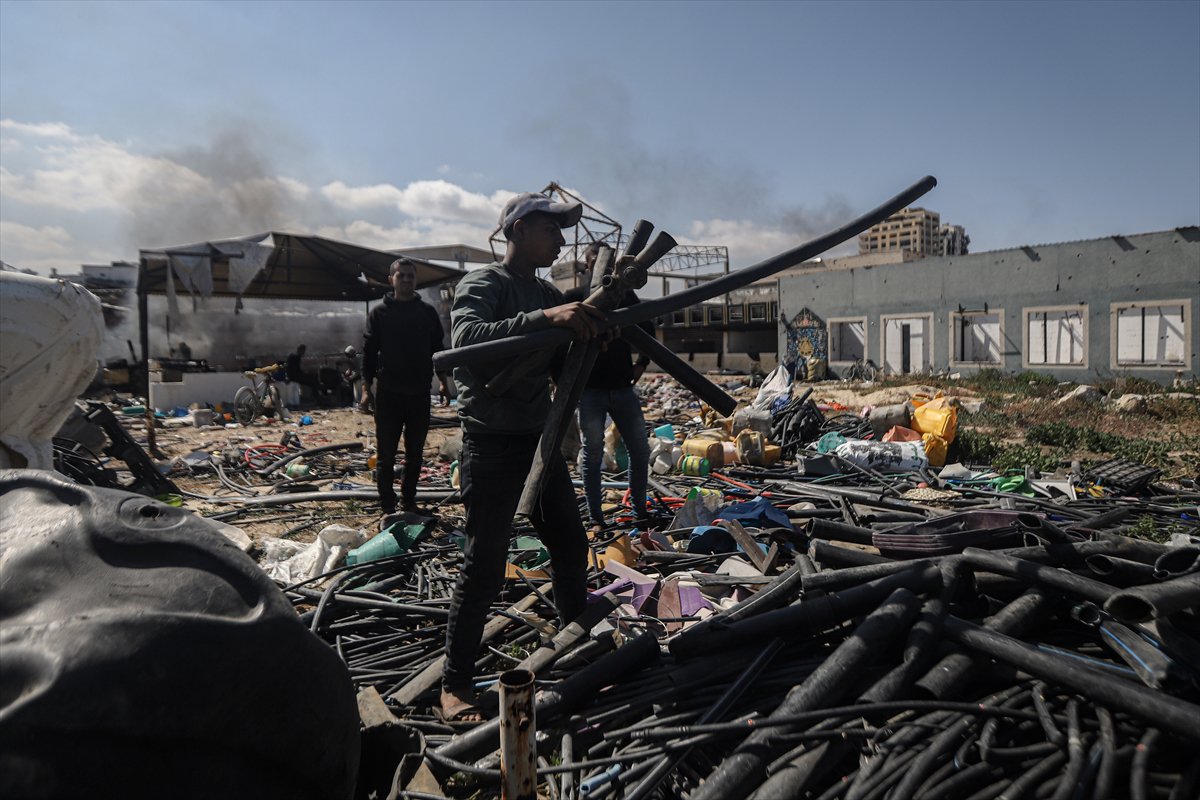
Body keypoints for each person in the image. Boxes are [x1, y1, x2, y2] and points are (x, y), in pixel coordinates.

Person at [441, 193, 605, 721]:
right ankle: (456, 682)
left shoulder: (542, 290)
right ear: (517, 232)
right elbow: (466, 339)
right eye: (550, 229)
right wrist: (547, 317)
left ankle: (572, 638)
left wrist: (594, 336)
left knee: (569, 542)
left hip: (539, 442)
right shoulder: (486, 284)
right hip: (490, 444)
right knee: (485, 563)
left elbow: (559, 356)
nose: (559, 240)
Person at [563, 242, 653, 533]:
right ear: (586, 264)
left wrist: (641, 364)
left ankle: (639, 510)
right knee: (593, 453)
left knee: (640, 450)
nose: (600, 264)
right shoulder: (575, 298)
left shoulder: (625, 295)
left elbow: (648, 328)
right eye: (595, 259)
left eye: (607, 260)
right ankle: (595, 517)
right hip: (590, 390)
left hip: (623, 388)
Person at [361, 258, 451, 515]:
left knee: (415, 454)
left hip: (420, 394)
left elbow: (438, 351)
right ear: (392, 280)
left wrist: (444, 383)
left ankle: (408, 502)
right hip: (389, 394)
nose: (406, 280)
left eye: (411, 276)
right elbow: (368, 353)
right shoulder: (379, 313)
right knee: (386, 455)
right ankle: (388, 506)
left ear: (416, 279)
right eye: (401, 276)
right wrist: (367, 389)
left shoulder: (427, 313)